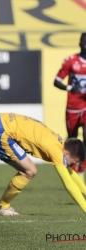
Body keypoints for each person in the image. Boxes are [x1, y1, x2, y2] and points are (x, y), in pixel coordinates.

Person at [0, 113, 86, 215]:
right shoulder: (57, 151)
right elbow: (69, 184)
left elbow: (70, 174)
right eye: (75, 162)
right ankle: (2, 207)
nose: (73, 165)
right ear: (68, 153)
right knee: (29, 171)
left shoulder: (59, 142)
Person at [54, 32, 86, 183]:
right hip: (73, 107)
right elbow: (57, 81)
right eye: (83, 41)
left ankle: (82, 168)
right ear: (80, 43)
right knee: (72, 139)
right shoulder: (71, 61)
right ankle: (71, 168)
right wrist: (70, 88)